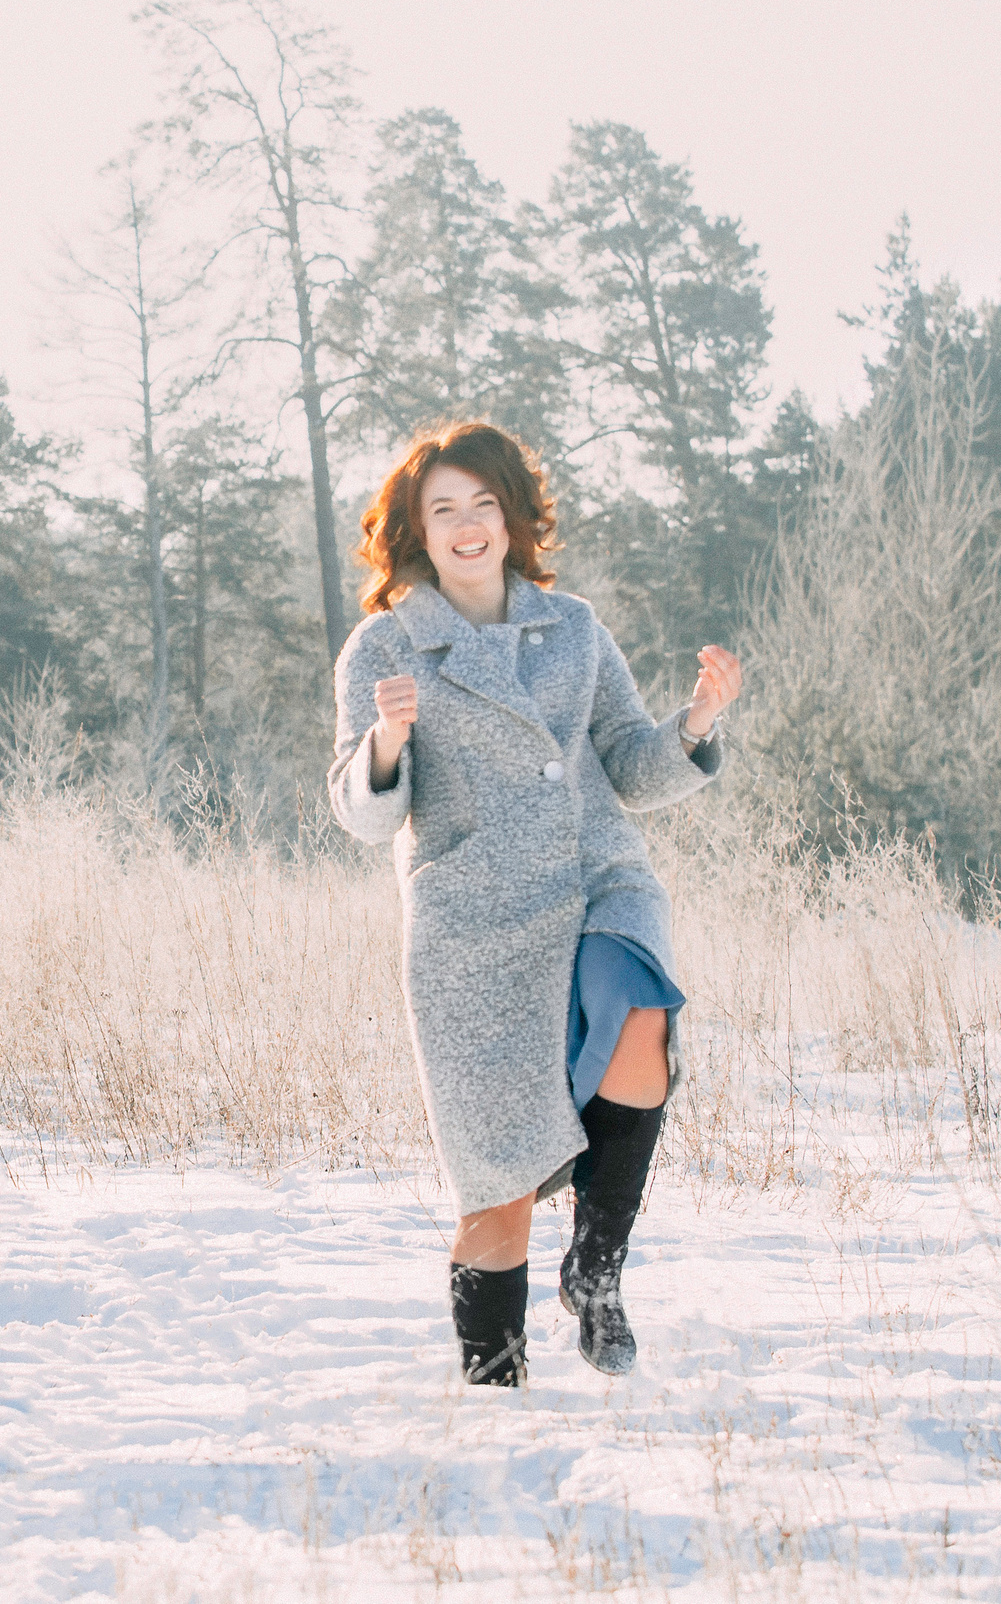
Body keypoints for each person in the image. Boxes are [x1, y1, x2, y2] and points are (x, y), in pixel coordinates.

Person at [326, 421, 741, 1386]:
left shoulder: (576, 628)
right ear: (416, 532)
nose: (468, 525)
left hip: (598, 880)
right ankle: (493, 1395)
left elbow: (634, 767)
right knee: (498, 1190)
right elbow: (360, 810)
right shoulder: (384, 646)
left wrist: (700, 722)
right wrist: (388, 743)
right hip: (473, 928)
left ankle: (595, 1272)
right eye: (444, 510)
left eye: (483, 504)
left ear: (511, 517)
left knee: (642, 1016)